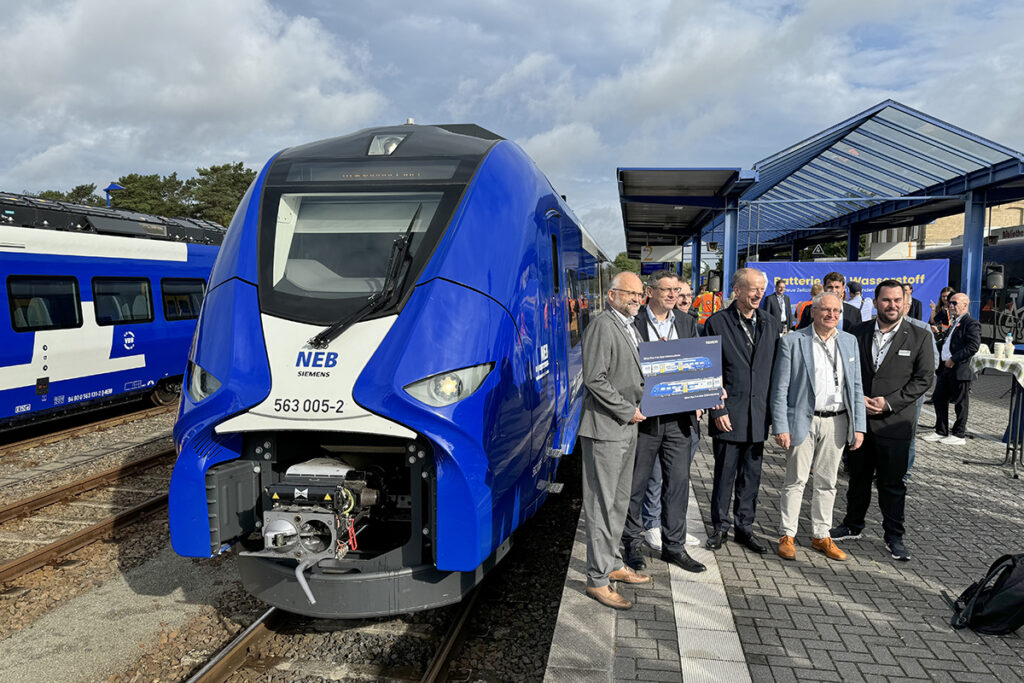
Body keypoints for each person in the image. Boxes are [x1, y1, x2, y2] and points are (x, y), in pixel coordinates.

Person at [831, 279, 934, 562]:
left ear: (905, 303)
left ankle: (894, 536)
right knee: (858, 479)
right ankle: (853, 525)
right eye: (886, 300)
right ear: (875, 302)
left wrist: (889, 403)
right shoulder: (857, 333)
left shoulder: (919, 336)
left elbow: (924, 378)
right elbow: (843, 369)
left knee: (892, 484)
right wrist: (858, 397)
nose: (892, 305)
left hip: (895, 424)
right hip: (861, 421)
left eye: (897, 301)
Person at [770, 292, 866, 561]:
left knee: (828, 482)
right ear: (813, 312)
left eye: (836, 311)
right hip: (803, 419)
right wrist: (781, 425)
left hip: (837, 420)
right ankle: (786, 534)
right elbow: (780, 388)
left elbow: (856, 387)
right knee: (796, 480)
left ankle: (821, 535)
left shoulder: (849, 342)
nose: (831, 315)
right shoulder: (793, 341)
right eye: (825, 310)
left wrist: (859, 426)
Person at [621, 271, 706, 574]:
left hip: (679, 420)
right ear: (650, 292)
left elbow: (697, 365)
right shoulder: (633, 322)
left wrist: (705, 393)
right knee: (636, 484)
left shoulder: (686, 322)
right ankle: (631, 543)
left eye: (677, 290)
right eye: (667, 289)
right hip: (644, 420)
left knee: (677, 485)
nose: (673, 295)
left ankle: (674, 547)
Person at [579, 271, 651, 610]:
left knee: (619, 503)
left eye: (640, 294)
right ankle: (597, 580)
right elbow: (595, 378)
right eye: (630, 294)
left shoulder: (628, 326)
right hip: (606, 428)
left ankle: (613, 564)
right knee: (600, 505)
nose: (637, 299)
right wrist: (627, 409)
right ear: (612, 296)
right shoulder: (602, 325)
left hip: (626, 426)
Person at [703, 267, 781, 554]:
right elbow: (709, 369)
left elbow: (776, 371)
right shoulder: (717, 323)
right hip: (729, 414)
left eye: (762, 288)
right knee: (725, 476)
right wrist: (716, 409)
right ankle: (720, 527)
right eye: (752, 288)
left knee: (752, 477)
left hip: (758, 416)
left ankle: (744, 528)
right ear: (736, 290)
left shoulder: (770, 323)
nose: (759, 294)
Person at [923, 293, 981, 446]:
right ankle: (940, 430)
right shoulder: (954, 322)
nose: (951, 306)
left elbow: (973, 346)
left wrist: (954, 359)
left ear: (965, 305)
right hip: (946, 368)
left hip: (959, 368)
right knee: (938, 398)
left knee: (960, 403)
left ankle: (959, 433)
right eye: (950, 303)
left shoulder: (971, 323)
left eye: (954, 303)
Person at [899, 284, 940, 480]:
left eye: (901, 303)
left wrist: (913, 388)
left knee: (908, 435)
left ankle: (904, 473)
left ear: (908, 306)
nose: (896, 306)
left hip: (911, 395)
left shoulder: (922, 329)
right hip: (882, 393)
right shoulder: (877, 327)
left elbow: (933, 362)